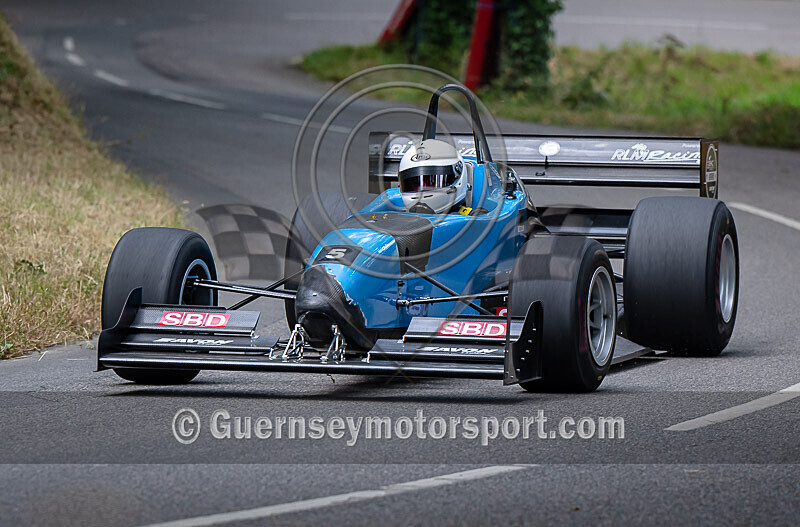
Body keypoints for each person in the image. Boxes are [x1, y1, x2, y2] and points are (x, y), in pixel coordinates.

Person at [398, 139, 467, 214]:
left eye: (431, 183)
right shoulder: (397, 217)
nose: (422, 190)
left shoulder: (472, 219)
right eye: (414, 184)